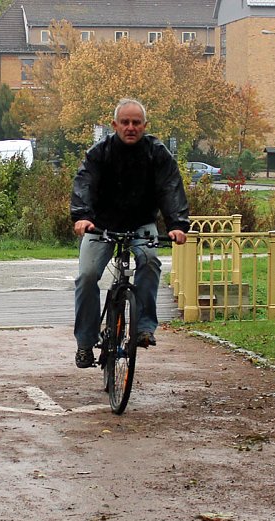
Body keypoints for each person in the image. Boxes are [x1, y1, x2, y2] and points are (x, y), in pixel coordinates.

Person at [69, 98, 190, 369]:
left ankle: (144, 327)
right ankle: (85, 342)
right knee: (87, 276)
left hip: (141, 223)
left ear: (145, 125)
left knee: (149, 260)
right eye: (125, 122)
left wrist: (177, 224)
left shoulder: (157, 154)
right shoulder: (99, 153)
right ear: (115, 125)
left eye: (136, 122)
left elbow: (170, 187)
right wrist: (82, 217)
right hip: (101, 224)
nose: (131, 127)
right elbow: (84, 183)